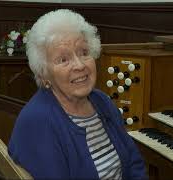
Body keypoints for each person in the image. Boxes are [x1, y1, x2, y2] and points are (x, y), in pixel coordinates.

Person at [8, 9, 147, 179]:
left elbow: (134, 163)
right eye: (63, 59)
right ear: (44, 74)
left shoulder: (101, 101)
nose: (80, 65)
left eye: (84, 53)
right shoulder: (37, 121)